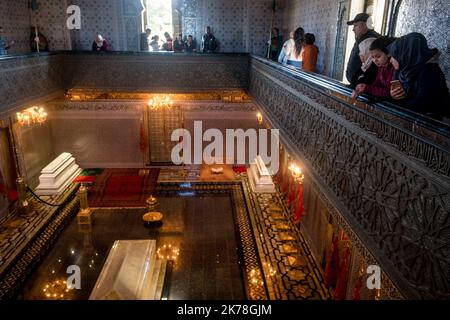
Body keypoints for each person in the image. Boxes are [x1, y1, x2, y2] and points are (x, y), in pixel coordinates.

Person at [387, 32, 450, 118]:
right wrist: (393, 95)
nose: (390, 60)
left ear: (405, 53)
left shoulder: (430, 71)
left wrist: (398, 100)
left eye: (394, 55)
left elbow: (421, 105)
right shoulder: (402, 71)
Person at [346, 13, 380, 88]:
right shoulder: (362, 38)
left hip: (362, 87)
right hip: (357, 84)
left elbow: (369, 68)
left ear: (365, 25)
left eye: (355, 25)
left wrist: (360, 82)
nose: (353, 29)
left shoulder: (371, 41)